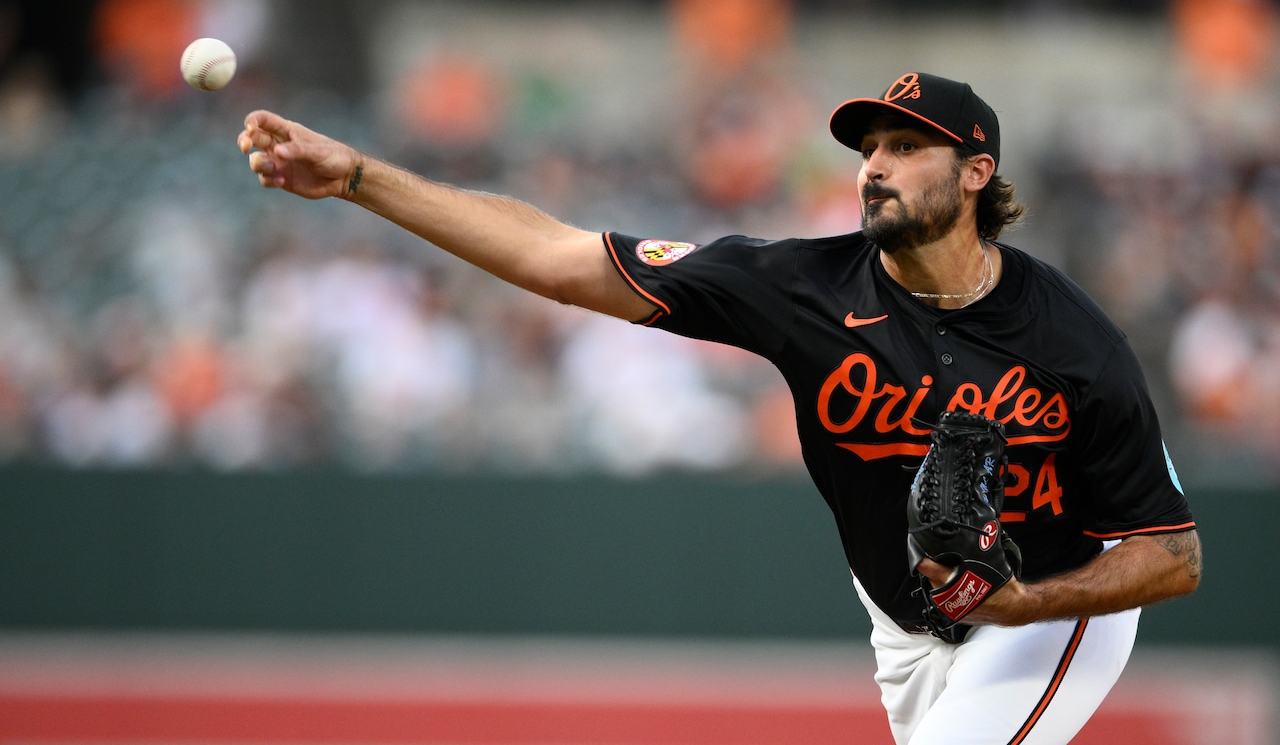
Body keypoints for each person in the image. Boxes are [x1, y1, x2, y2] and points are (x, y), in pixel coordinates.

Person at [237, 71, 1201, 745]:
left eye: (907, 147)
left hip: (1051, 601)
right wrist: (360, 179)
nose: (874, 165)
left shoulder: (1074, 340)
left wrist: (1024, 600)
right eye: (869, 148)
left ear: (977, 173)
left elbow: (1173, 553)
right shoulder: (804, 287)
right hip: (903, 618)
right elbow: (558, 259)